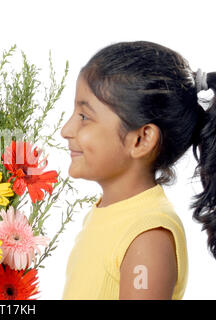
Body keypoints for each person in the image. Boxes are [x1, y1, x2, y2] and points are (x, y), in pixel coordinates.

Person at [60, 41, 214, 299]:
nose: (66, 130)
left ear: (141, 139)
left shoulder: (147, 237)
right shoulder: (109, 213)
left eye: (84, 117)